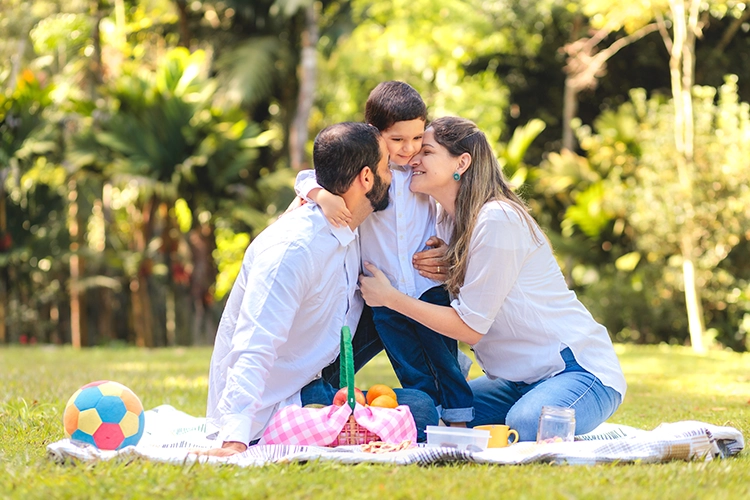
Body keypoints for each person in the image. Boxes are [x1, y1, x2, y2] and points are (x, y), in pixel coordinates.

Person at [360, 116, 627, 441]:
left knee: (527, 423)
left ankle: (540, 409)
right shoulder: (445, 221)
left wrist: (391, 299)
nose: (413, 157)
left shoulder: (497, 219)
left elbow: (469, 327)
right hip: (516, 381)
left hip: (578, 371)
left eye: (426, 151)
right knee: (446, 419)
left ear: (462, 161)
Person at [200, 122, 437, 457]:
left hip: (315, 377)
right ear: (366, 178)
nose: (393, 176)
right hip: (276, 408)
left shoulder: (348, 223)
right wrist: (234, 439)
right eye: (387, 167)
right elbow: (254, 345)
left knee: (422, 405)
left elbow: (313, 175)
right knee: (422, 413)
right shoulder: (292, 251)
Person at [295, 81, 474, 426]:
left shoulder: (424, 170)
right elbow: (305, 177)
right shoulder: (367, 171)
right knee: (409, 364)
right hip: (382, 294)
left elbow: (455, 207)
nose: (409, 149)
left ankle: (459, 422)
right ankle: (427, 420)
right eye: (398, 140)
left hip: (427, 287)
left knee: (445, 362)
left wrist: (449, 249)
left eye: (417, 138)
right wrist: (323, 196)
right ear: (376, 135)